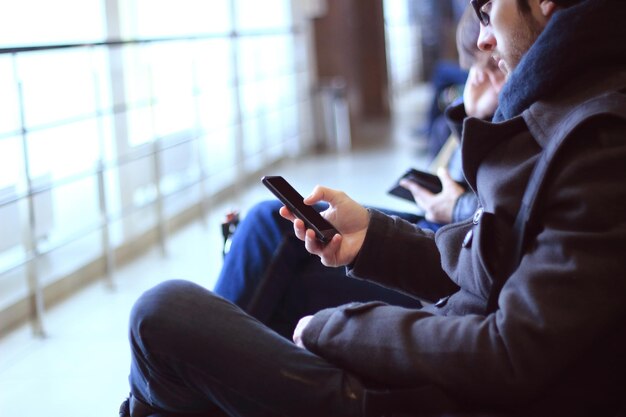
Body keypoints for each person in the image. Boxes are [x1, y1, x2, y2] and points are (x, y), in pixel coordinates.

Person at [120, 1, 626, 416]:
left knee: (160, 318)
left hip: (446, 400)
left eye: (488, 10)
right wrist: (373, 237)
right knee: (179, 324)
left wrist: (339, 330)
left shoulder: (599, 141)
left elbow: (512, 356)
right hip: (450, 374)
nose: (484, 41)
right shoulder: (569, 111)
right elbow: (493, 262)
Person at [211, 5, 499, 339]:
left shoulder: (541, 122)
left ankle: (181, 375)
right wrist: (474, 117)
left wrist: (458, 204)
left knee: (270, 242)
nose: (479, 74)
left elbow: (497, 226)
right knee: (272, 229)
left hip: (450, 259)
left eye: (492, 65)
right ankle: (184, 374)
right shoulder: (518, 102)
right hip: (443, 236)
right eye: (478, 65)